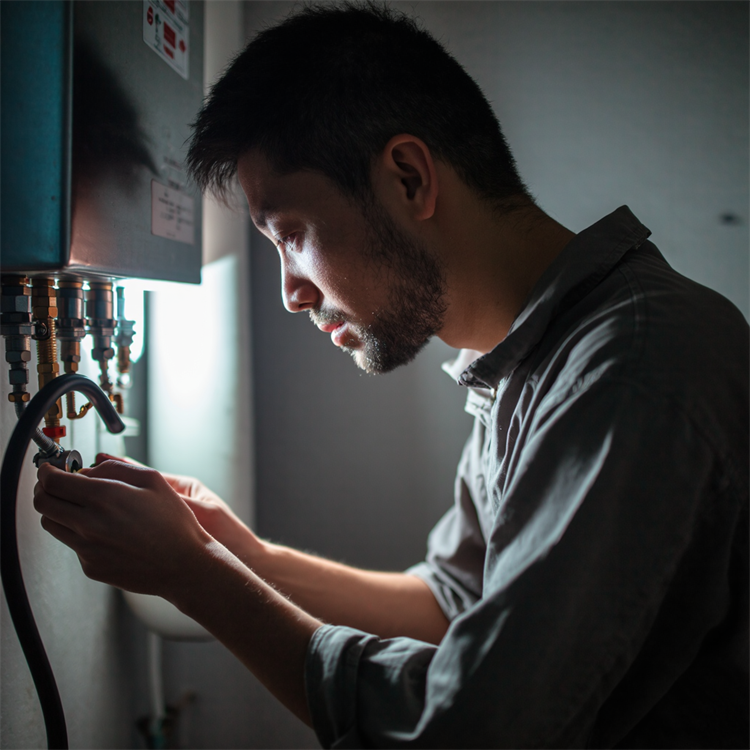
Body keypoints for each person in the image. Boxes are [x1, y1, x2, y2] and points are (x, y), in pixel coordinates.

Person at [34, 3, 750, 748]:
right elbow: (455, 604)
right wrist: (236, 553)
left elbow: (469, 729)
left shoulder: (629, 372)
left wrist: (196, 578)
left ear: (409, 178)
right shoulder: (532, 360)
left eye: (293, 235)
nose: (290, 292)